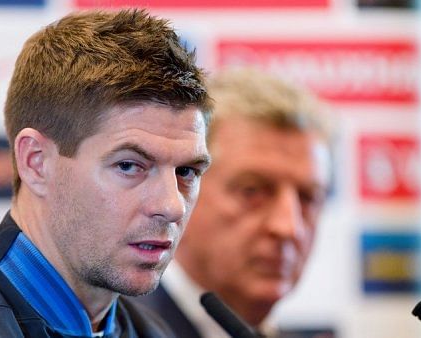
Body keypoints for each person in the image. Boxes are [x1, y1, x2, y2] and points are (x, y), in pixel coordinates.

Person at [0, 9, 213, 338]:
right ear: (36, 162)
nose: (172, 206)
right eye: (129, 166)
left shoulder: (154, 332)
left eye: (186, 171)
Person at [135, 67, 333, 338]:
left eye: (308, 198)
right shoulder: (116, 328)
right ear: (185, 187)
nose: (288, 227)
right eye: (252, 191)